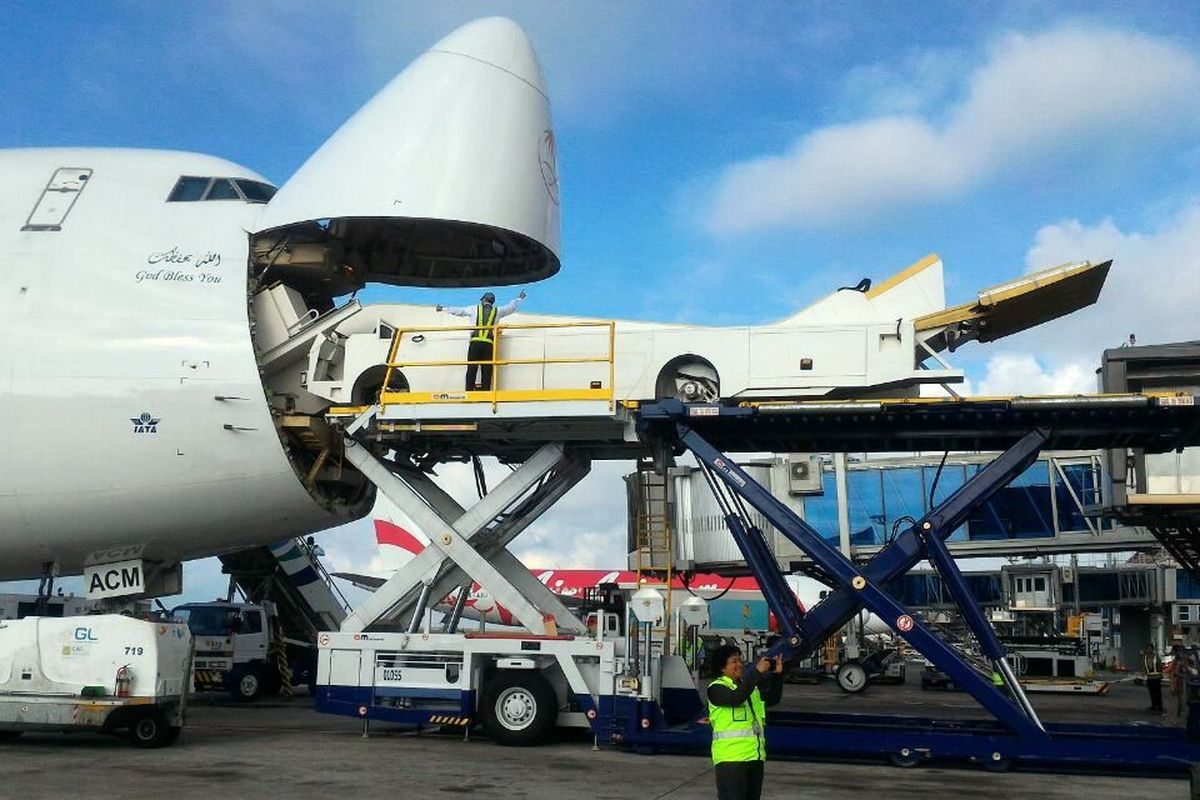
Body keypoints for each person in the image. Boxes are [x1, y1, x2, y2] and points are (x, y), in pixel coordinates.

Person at [706, 645, 783, 800]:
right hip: (731, 760)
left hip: (754, 758)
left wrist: (777, 676)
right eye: (734, 661)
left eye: (740, 661)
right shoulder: (716, 688)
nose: (739, 664)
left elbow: (772, 698)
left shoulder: (749, 688)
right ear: (722, 667)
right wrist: (756, 673)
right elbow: (735, 698)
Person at [436, 290, 526, 390]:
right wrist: (519, 298)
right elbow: (510, 308)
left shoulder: (474, 309)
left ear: (483, 300)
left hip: (475, 343)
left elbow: (458, 311)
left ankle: (469, 391)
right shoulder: (498, 311)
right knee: (487, 369)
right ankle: (485, 391)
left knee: (472, 368)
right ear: (492, 302)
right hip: (488, 344)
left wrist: (442, 308)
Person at [1168, 645, 1193, 726]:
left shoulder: (1186, 661)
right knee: (1178, 703)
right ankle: (1175, 719)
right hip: (1179, 683)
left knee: (1183, 702)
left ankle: (1181, 719)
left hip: (1183, 683)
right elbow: (1174, 673)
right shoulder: (1178, 662)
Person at [1142, 643, 1163, 714]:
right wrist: (1143, 673)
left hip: (1156, 678)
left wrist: (1160, 674)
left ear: (1153, 649)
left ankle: (1159, 706)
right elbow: (1144, 666)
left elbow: (1160, 666)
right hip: (1149, 678)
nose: (1149, 650)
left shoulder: (1156, 657)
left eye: (1150, 649)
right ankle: (1153, 705)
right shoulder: (1145, 657)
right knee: (1152, 693)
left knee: (1158, 693)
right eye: (1147, 649)